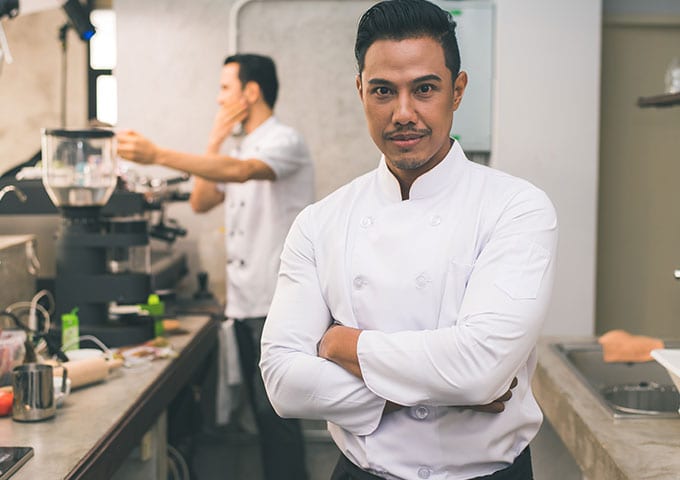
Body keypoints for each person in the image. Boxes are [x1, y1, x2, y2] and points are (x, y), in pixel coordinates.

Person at [260, 1, 558, 479]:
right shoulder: (320, 223)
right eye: (383, 90)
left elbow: (480, 368)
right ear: (360, 91)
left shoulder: (516, 208)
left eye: (424, 89)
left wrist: (343, 345)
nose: (403, 113)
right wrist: (444, 389)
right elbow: (283, 382)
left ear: (457, 91)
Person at [117, 53, 313, 480]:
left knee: (276, 417)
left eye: (225, 88)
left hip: (275, 303)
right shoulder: (237, 148)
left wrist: (157, 154)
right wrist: (213, 139)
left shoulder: (284, 141)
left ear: (251, 92)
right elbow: (201, 200)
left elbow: (241, 172)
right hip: (244, 303)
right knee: (262, 417)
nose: (219, 98)